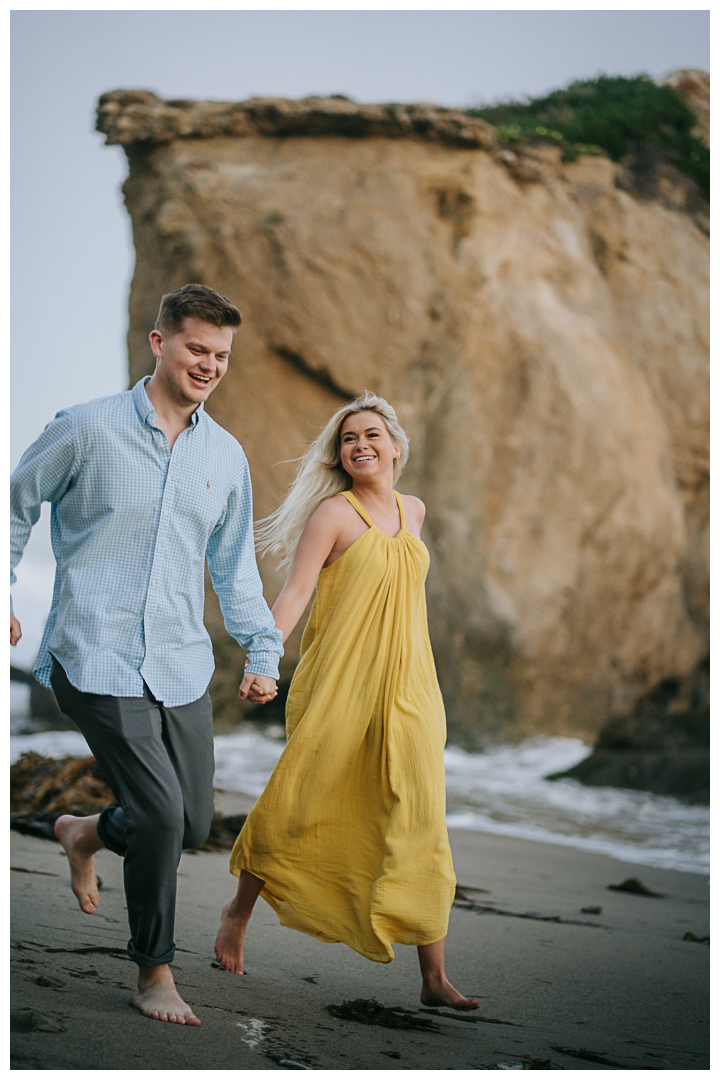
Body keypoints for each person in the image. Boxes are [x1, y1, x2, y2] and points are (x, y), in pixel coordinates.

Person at [10, 283, 283, 1026]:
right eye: (197, 347)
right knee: (161, 814)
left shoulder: (225, 458)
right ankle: (152, 970)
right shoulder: (85, 428)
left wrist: (263, 648)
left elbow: (233, 570)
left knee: (190, 823)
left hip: (179, 663)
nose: (210, 364)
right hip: (91, 653)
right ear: (159, 342)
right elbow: (15, 504)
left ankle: (83, 831)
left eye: (222, 355)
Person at [214, 392, 479, 1010]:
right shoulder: (334, 514)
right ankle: (238, 909)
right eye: (349, 440)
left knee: (420, 815)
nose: (360, 446)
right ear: (340, 455)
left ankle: (434, 977)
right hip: (340, 680)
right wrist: (262, 659)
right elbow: (297, 592)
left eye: (370, 436)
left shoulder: (414, 511)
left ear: (394, 446)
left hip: (412, 685)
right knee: (302, 795)